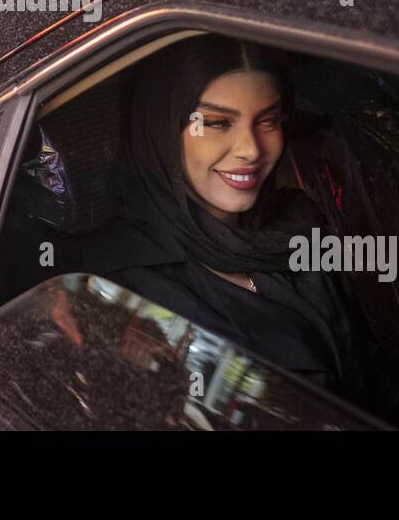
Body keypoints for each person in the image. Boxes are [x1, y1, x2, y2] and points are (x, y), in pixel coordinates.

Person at [76, 33, 360, 398]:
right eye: (215, 123)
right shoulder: (118, 281)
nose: (250, 149)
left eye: (268, 120)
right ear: (162, 130)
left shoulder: (296, 221)